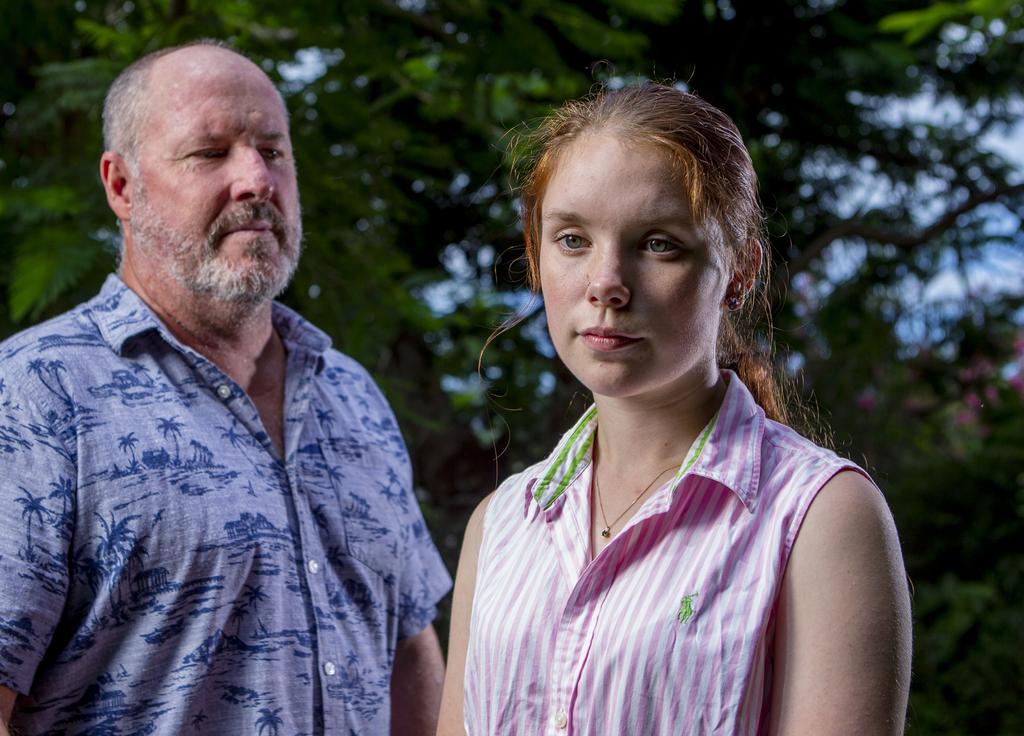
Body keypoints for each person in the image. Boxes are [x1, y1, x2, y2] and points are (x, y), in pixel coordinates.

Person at [0, 40, 451, 736]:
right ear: (122, 186)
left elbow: (409, 651)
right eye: (210, 153)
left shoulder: (354, 398)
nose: (255, 180)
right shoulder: (36, 394)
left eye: (273, 151)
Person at [437, 83, 912, 735]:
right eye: (573, 239)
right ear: (534, 255)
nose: (607, 283)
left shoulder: (820, 519)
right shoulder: (499, 528)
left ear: (740, 267)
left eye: (658, 243)